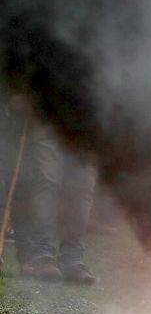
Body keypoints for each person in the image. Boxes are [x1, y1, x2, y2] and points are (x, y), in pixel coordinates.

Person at [17, 116, 98, 284]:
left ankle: (72, 259)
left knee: (83, 186)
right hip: (49, 104)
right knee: (48, 180)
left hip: (90, 111)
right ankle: (41, 254)